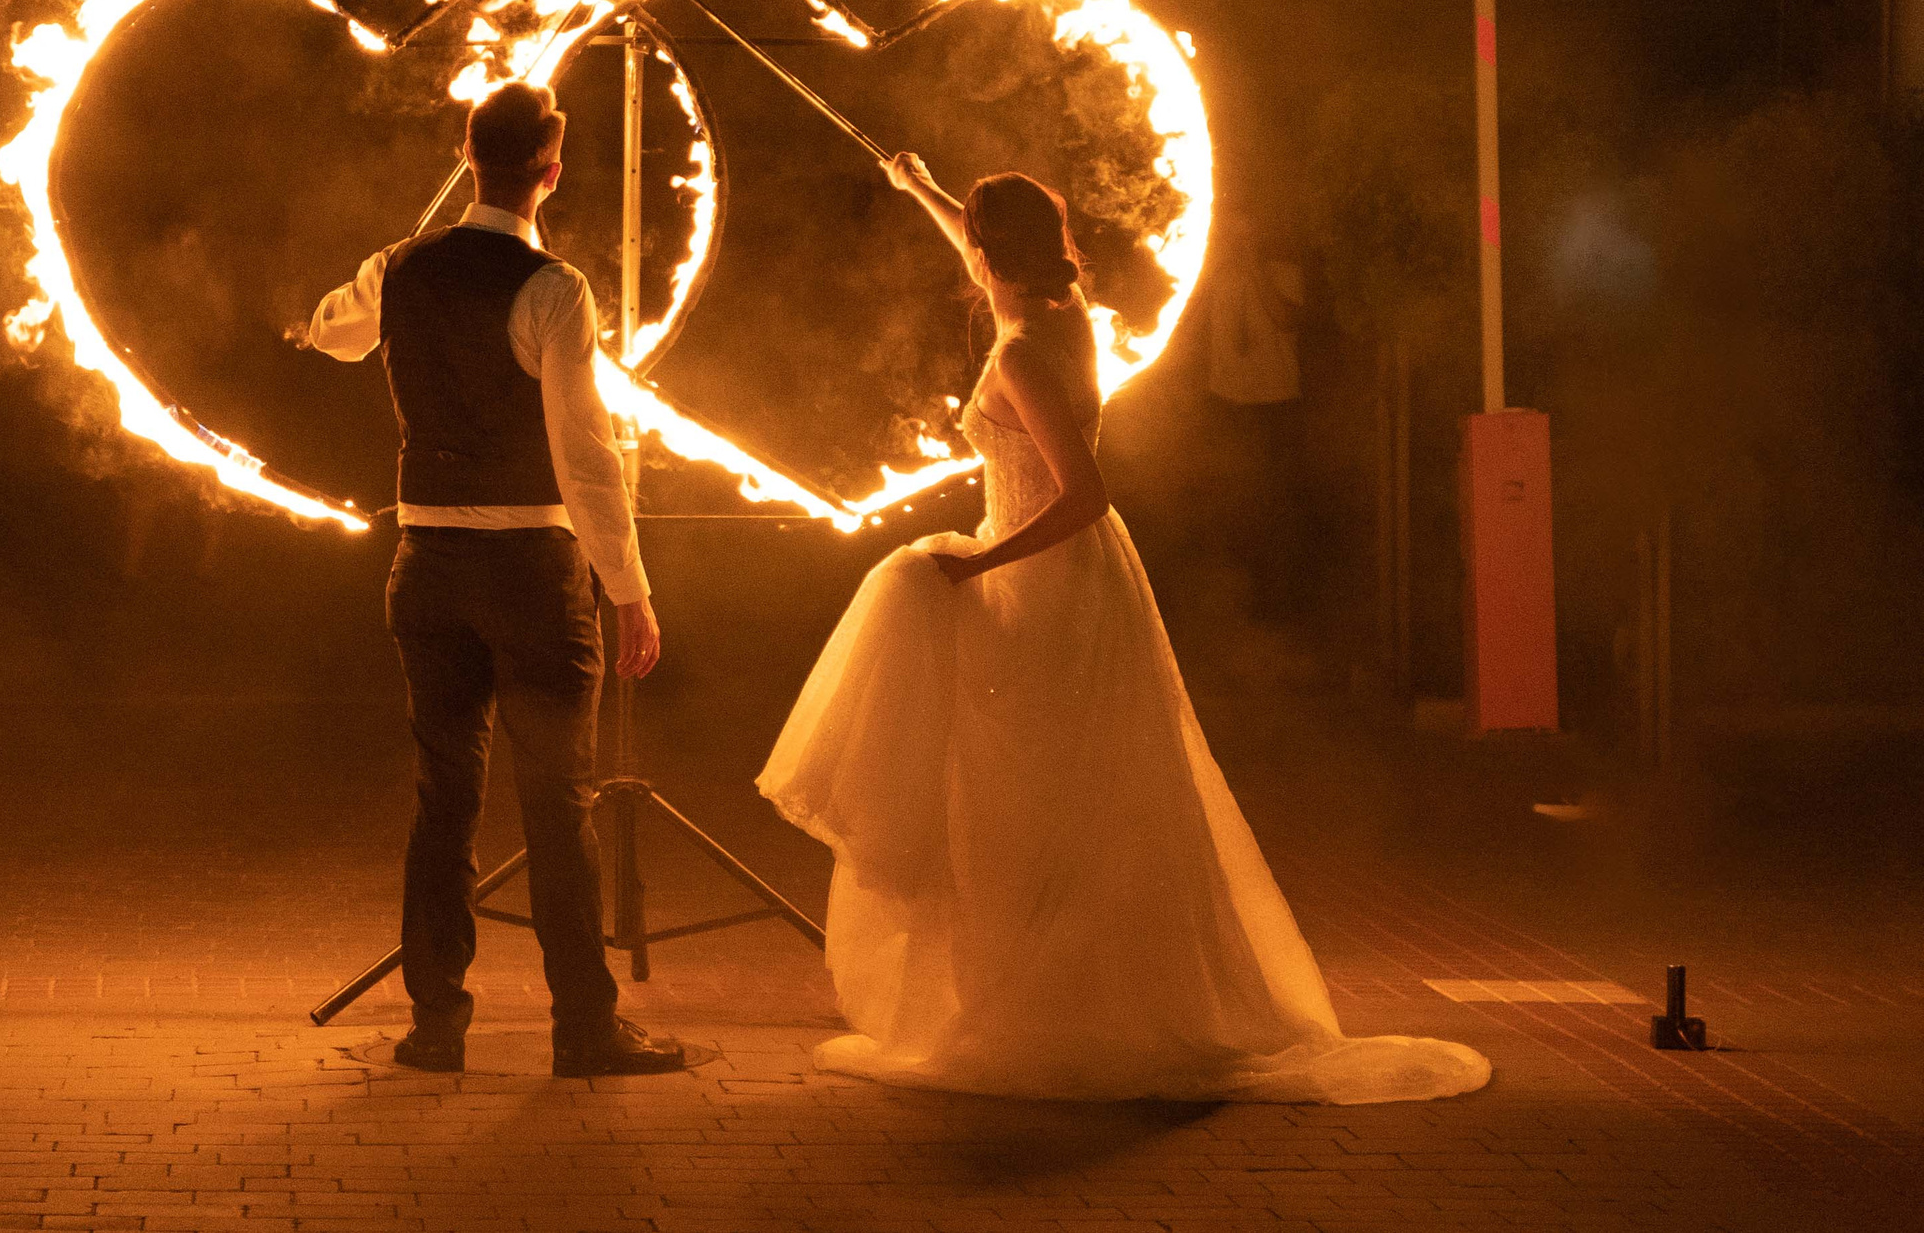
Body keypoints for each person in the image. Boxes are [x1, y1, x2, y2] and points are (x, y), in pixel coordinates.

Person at [756, 154, 1489, 1103]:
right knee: (1051, 794)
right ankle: (1049, 991)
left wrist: (975, 564)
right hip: (1066, 577)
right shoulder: (1065, 320)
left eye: (969, 242)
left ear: (988, 256)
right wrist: (926, 193)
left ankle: (1057, 1010)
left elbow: (1086, 495)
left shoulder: (1021, 353)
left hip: (1045, 582)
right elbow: (991, 263)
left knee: (1033, 791)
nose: (966, 258)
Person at [306, 81, 694, 1079]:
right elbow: (586, 452)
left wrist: (391, 266)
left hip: (427, 565)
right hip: (531, 570)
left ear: (466, 155)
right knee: (557, 801)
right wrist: (629, 585)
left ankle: (435, 1022)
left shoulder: (399, 268)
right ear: (551, 171)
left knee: (444, 797)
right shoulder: (554, 288)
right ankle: (585, 1028)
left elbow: (328, 331)